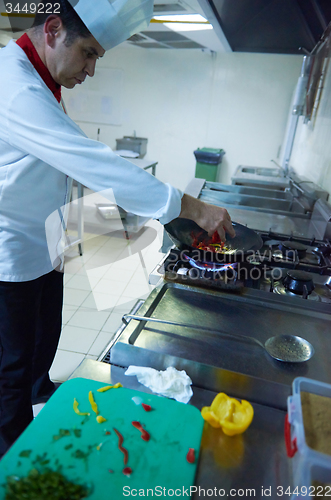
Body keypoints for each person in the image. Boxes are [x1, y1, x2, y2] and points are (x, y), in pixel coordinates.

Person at [0, 0, 235, 458]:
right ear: (52, 30)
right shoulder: (14, 87)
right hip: (9, 254)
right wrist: (188, 206)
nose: (90, 70)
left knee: (42, 347)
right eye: (88, 53)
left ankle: (41, 404)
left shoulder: (41, 78)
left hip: (46, 242)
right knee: (10, 369)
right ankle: (14, 463)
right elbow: (87, 159)